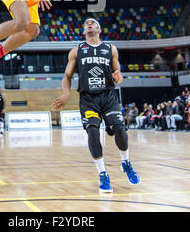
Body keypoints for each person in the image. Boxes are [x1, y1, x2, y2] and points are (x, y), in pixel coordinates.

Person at [51, 18, 140, 194]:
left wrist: (118, 77)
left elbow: (117, 72)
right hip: (88, 98)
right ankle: (103, 174)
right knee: (93, 132)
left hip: (108, 96)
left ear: (99, 29)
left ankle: (126, 162)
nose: (89, 24)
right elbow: (67, 76)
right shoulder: (77, 51)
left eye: (93, 23)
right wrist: (66, 93)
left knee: (120, 131)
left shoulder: (110, 49)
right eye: (86, 23)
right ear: (84, 31)